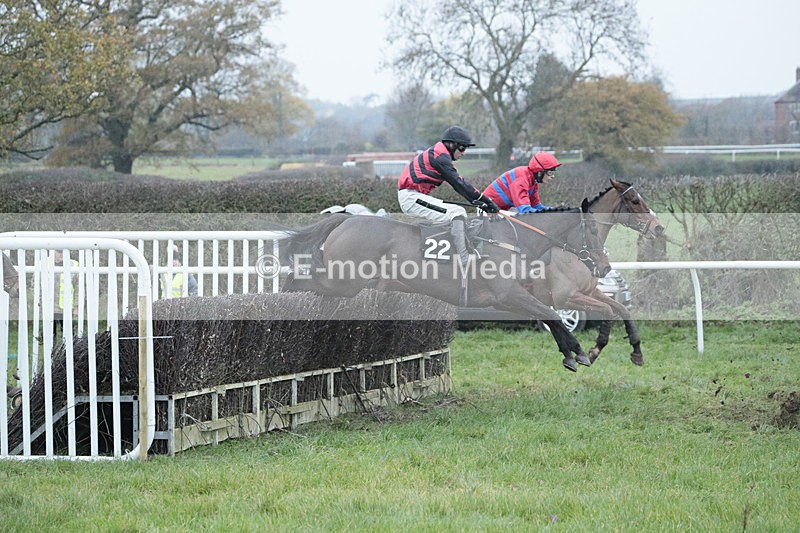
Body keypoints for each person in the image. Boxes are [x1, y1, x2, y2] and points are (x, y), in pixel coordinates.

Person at [397, 126, 499, 265]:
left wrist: (481, 202)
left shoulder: (440, 153)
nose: (463, 153)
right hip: (410, 198)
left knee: (457, 212)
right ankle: (463, 258)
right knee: (457, 212)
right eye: (462, 148)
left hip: (415, 196)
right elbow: (459, 184)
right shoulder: (440, 157)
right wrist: (486, 201)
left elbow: (459, 187)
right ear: (451, 145)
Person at [483, 151, 561, 214]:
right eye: (550, 172)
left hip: (502, 210)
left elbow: (536, 206)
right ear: (540, 172)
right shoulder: (522, 179)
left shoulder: (533, 181)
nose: (553, 176)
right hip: (487, 210)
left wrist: (557, 210)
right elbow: (525, 210)